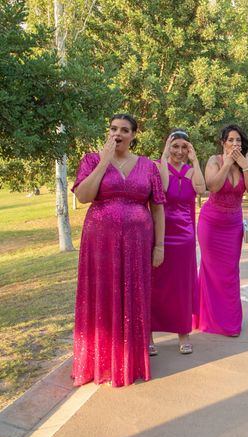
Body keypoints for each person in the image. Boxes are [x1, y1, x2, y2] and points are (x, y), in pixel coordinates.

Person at [71, 113, 165, 387]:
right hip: (99, 244)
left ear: (134, 135)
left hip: (138, 244)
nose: (118, 134)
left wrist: (159, 245)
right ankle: (98, 362)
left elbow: (157, 209)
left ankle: (129, 361)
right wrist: (103, 161)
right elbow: (84, 195)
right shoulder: (91, 160)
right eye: (113, 128)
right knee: (100, 295)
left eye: (124, 130)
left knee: (133, 297)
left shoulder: (148, 166)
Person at [196, 125, 248, 337]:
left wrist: (245, 166)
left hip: (233, 226)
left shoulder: (244, 163)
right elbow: (212, 186)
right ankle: (207, 319)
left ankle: (229, 323)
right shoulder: (215, 161)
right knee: (210, 270)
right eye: (231, 140)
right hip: (211, 224)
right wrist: (227, 164)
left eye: (238, 140)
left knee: (230, 273)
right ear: (223, 143)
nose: (235, 144)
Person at [150, 129, 205, 355]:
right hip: (160, 235)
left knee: (182, 287)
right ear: (168, 146)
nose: (179, 151)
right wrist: (164, 156)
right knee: (156, 286)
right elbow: (161, 189)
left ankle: (183, 334)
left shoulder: (191, 173)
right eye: (175, 146)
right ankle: (149, 335)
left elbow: (202, 189)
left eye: (184, 147)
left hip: (184, 238)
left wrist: (196, 161)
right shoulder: (157, 167)